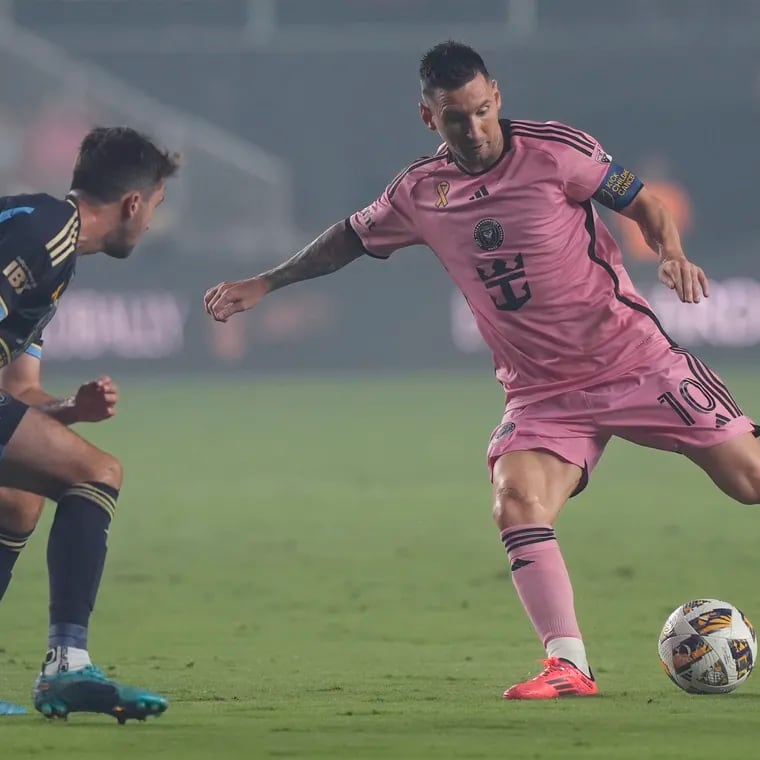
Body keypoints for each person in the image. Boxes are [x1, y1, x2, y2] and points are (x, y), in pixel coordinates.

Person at [203, 41, 760, 700]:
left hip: (633, 359)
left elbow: (642, 202)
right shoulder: (421, 191)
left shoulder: (559, 152)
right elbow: (348, 238)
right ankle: (569, 665)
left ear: (495, 96)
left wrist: (670, 252)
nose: (471, 128)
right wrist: (264, 285)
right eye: (453, 118)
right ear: (427, 117)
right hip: (544, 394)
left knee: (749, 482)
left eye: (478, 111)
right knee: (515, 499)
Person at [0, 126, 179, 720]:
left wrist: (69, 412)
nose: (150, 222)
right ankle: (66, 665)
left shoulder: (51, 241)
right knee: (96, 472)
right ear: (133, 204)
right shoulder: (46, 232)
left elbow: (18, 392)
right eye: (154, 206)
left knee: (16, 498)